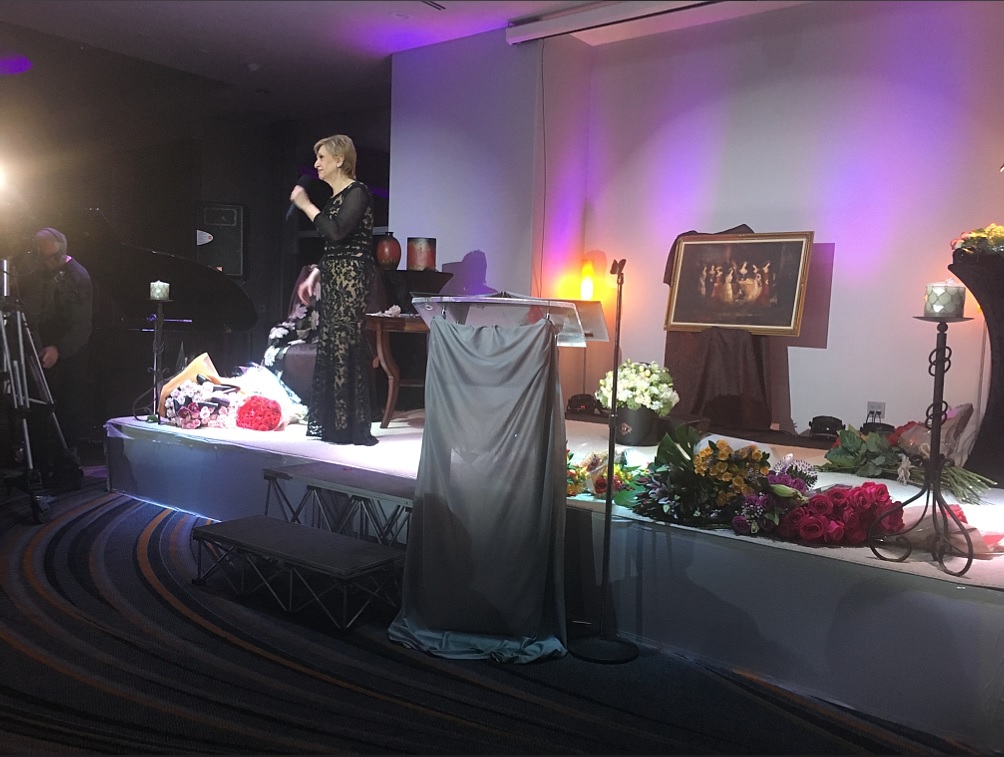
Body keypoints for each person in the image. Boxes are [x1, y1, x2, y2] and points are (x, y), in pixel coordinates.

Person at [289, 134, 378, 445]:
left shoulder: (358, 192)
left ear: (340, 160)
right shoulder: (334, 199)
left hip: (352, 277)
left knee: (345, 342)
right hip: (334, 275)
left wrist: (305, 205)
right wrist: (315, 275)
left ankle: (349, 426)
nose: (316, 164)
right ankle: (334, 421)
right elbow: (332, 247)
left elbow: (337, 232)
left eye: (322, 158)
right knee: (330, 342)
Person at [17, 227, 92, 480]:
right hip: (39, 351)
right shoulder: (39, 271)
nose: (45, 261)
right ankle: (38, 466)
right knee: (37, 411)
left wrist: (59, 349)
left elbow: (82, 326)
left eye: (49, 256)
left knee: (65, 412)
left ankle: (65, 469)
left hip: (68, 357)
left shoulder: (78, 276)